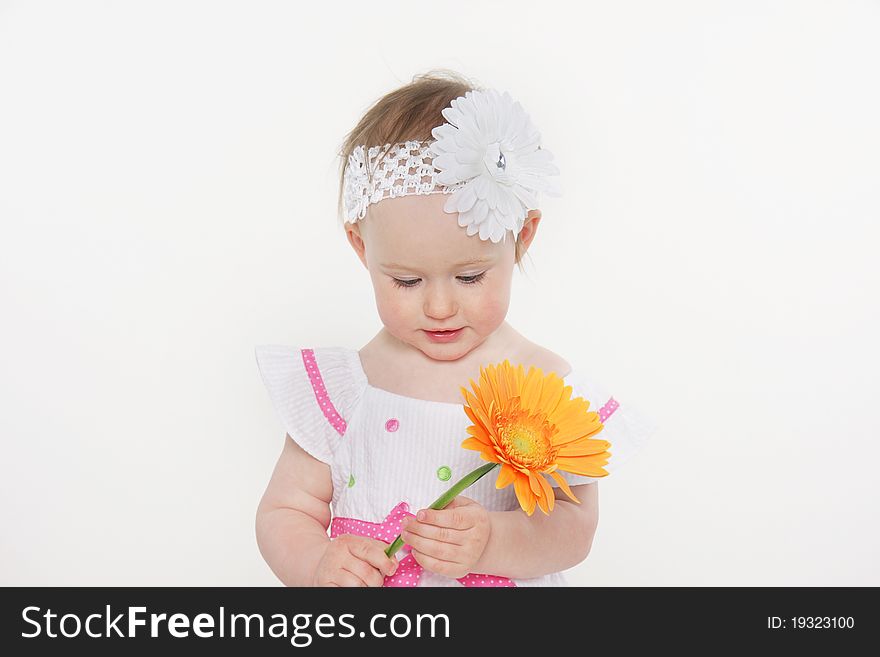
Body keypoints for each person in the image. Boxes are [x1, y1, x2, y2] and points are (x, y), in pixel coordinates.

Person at [254, 70, 658, 587]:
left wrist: (493, 540)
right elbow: (285, 511)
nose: (439, 306)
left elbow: (574, 528)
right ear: (362, 248)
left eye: (470, 276)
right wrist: (315, 563)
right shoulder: (347, 388)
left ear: (521, 237)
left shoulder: (545, 389)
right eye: (405, 280)